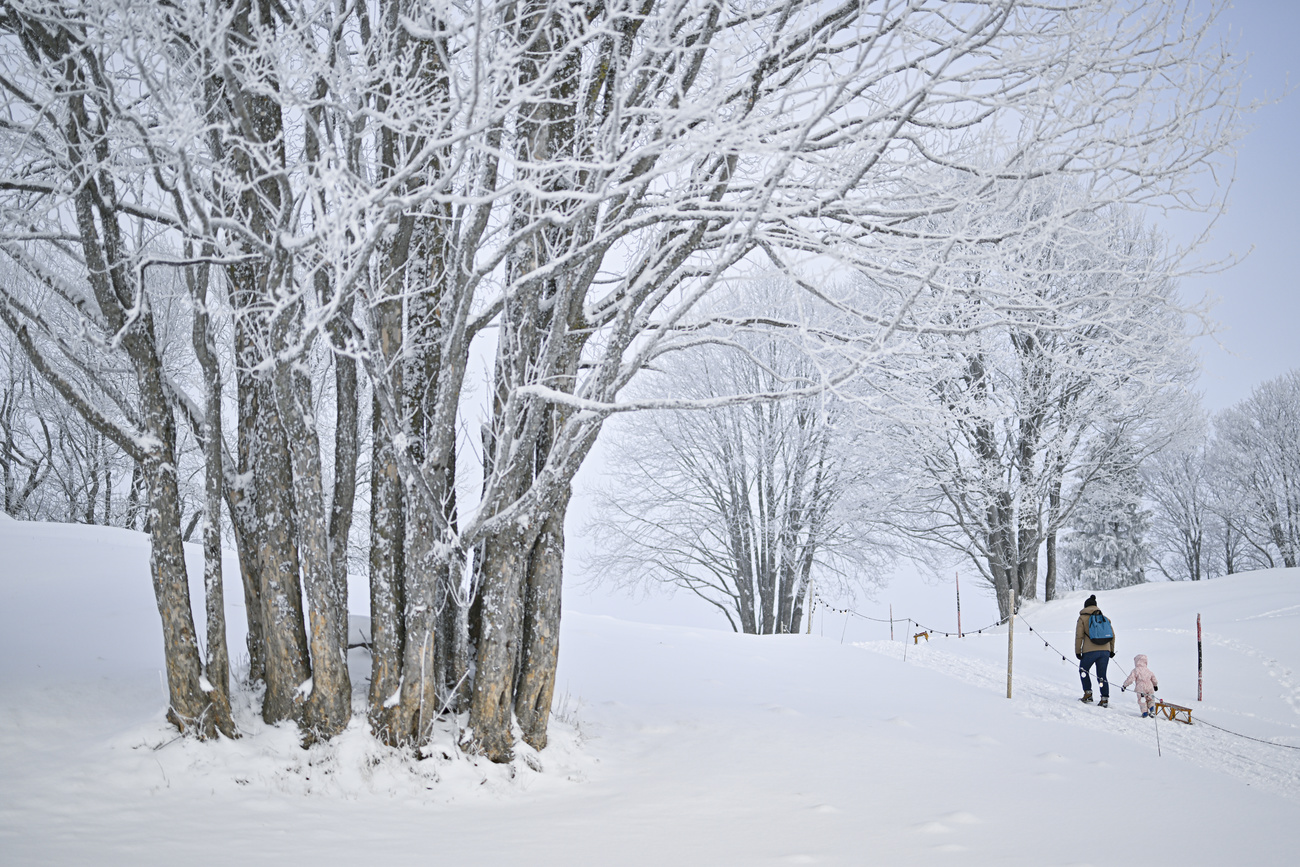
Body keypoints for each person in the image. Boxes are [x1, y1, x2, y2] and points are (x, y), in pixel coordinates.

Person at [1075, 594, 1115, 707]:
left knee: (1083, 670)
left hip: (1089, 651)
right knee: (1102, 675)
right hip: (1105, 651)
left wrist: (1078, 651)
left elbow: (1079, 636)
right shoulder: (1105, 618)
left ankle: (1088, 694)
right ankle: (1104, 698)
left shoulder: (1082, 618)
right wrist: (1111, 650)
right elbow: (1113, 635)